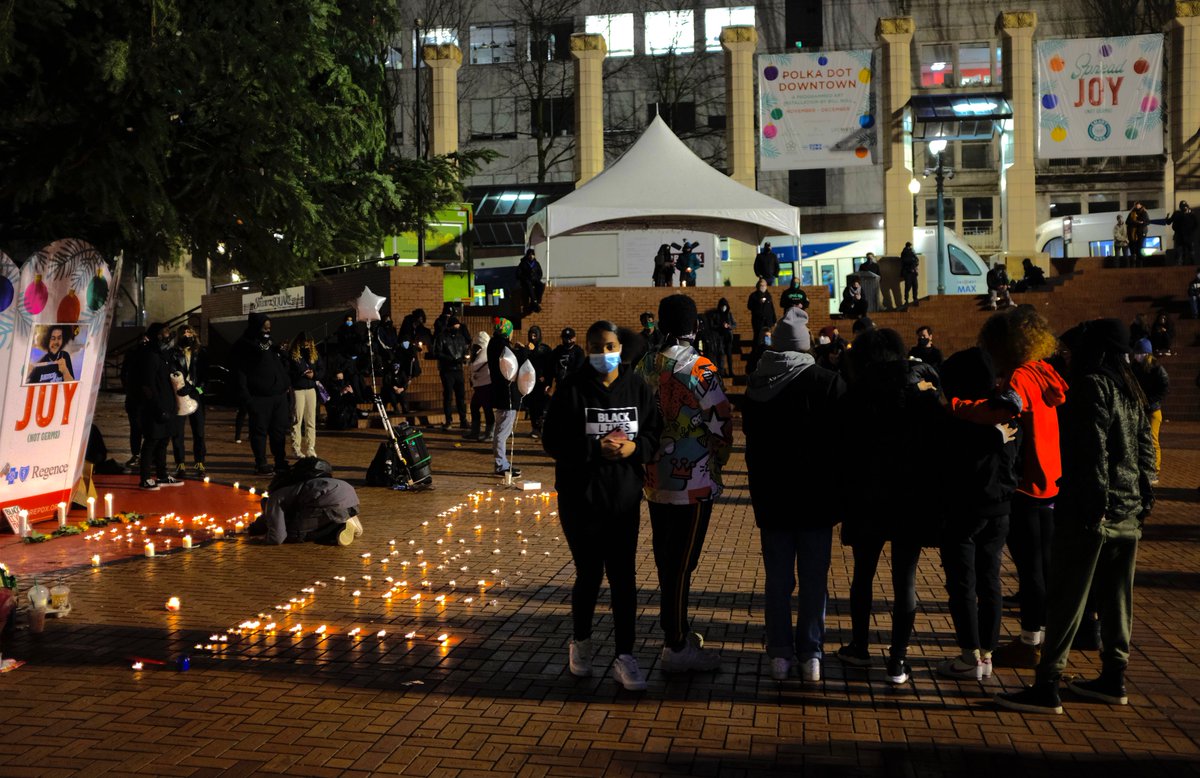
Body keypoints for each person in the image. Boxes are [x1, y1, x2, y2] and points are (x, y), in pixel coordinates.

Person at [996, 318, 1155, 715]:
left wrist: (1093, 506)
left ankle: (1047, 684)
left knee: (1067, 597)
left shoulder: (1092, 386)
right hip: (1128, 512)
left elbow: (1093, 453)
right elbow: (1146, 451)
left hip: (1092, 513)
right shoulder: (1131, 385)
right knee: (1118, 599)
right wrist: (1141, 502)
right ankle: (1113, 677)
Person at [542, 320, 663, 691]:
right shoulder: (572, 389)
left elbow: (655, 434)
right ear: (587, 348)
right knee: (589, 573)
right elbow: (553, 441)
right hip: (581, 499)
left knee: (623, 577)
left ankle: (625, 655)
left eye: (610, 347)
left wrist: (635, 448)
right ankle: (581, 642)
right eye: (597, 347)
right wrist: (593, 449)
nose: (604, 355)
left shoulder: (637, 387)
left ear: (620, 348)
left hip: (623, 498)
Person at [952, 307, 1068, 670]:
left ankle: (1031, 641)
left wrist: (955, 406)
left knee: (1029, 568)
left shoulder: (1020, 376)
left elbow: (1000, 411)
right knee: (1042, 566)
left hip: (1026, 482)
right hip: (1049, 478)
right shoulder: (1042, 370)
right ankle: (1040, 637)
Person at [742, 307, 845, 682]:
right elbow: (842, 444)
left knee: (778, 581)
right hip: (817, 499)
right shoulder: (828, 382)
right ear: (806, 348)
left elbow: (751, 448)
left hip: (773, 498)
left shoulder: (757, 386)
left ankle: (779, 653)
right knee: (815, 581)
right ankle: (811, 653)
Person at [836, 327, 941, 685]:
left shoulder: (855, 394)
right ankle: (897, 660)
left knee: (863, 574)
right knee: (905, 579)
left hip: (866, 497)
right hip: (910, 498)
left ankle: (860, 646)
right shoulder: (918, 393)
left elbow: (845, 450)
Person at [637, 294, 734, 673]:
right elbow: (722, 422)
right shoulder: (700, 367)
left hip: (654, 477)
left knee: (667, 558)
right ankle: (675, 644)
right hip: (693, 480)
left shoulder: (646, 363)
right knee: (682, 562)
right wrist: (718, 456)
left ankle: (678, 630)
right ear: (694, 326)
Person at [935, 347, 1019, 681]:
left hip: (963, 509)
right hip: (1000, 508)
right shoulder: (1009, 412)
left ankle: (970, 656)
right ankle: (987, 654)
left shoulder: (960, 419)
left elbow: (949, 458)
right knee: (990, 580)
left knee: (962, 583)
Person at [233, 312, 292, 475]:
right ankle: (261, 462)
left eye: (269, 327)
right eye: (264, 327)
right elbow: (240, 374)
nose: (267, 330)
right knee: (259, 432)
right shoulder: (244, 345)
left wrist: (285, 381)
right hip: (259, 397)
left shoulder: (270, 344)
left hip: (278, 395)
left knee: (278, 431)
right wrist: (247, 399)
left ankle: (280, 461)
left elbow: (279, 365)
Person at [252, 463, 363, 546]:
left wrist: (263, 540)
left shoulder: (274, 498)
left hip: (329, 501)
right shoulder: (294, 487)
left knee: (295, 535)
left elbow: (278, 537)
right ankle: (345, 518)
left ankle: (338, 527)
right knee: (309, 519)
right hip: (350, 498)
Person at [137, 323, 184, 490]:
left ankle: (162, 475)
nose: (169, 335)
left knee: (164, 441)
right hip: (155, 408)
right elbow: (148, 384)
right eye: (165, 332)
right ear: (157, 335)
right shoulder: (150, 355)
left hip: (167, 404)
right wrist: (157, 407)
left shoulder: (163, 354)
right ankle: (145, 478)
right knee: (151, 441)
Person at [168, 324, 210, 477]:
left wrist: (198, 389)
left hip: (196, 394)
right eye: (184, 332)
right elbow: (172, 372)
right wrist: (181, 387)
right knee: (178, 432)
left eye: (189, 332)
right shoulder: (173, 353)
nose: (187, 335)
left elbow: (205, 375)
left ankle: (200, 462)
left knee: (199, 431)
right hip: (179, 395)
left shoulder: (201, 352)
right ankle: (180, 464)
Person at [488, 317, 523, 479]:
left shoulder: (493, 344)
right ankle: (501, 464)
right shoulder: (502, 346)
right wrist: (523, 352)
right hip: (507, 394)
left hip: (498, 392)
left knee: (500, 429)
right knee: (502, 431)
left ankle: (502, 463)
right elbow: (513, 365)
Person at [1131, 338, 1168, 483]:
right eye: (1136, 352)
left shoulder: (1157, 369)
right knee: (1139, 440)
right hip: (1140, 408)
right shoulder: (1135, 367)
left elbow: (1164, 388)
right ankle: (1143, 468)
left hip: (1153, 410)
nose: (1137, 355)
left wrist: (1151, 401)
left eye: (1140, 353)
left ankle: (1155, 471)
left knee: (1152, 440)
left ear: (1147, 354)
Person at [288, 333, 323, 460]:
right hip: (298, 389)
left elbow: (322, 369)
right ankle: (296, 448)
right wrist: (302, 373)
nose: (307, 344)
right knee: (297, 419)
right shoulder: (294, 354)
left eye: (309, 341)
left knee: (311, 420)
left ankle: (310, 447)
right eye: (305, 341)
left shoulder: (314, 353)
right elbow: (290, 371)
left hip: (311, 389)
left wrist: (314, 375)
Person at [433, 315, 470, 431]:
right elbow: (437, 352)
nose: (457, 328)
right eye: (455, 326)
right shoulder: (442, 337)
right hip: (447, 370)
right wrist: (451, 359)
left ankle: (463, 420)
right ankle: (448, 420)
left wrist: (464, 358)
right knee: (448, 396)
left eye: (458, 326)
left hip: (458, 369)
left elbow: (465, 349)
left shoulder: (460, 338)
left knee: (461, 396)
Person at [121, 334, 149, 468]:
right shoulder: (132, 354)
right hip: (135, 398)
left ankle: (148, 456)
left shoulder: (154, 354)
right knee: (136, 428)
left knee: (148, 429)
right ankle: (136, 454)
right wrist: (129, 390)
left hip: (148, 398)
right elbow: (124, 374)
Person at [522, 325, 553, 438]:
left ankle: (541, 428)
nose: (533, 337)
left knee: (542, 407)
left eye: (535, 335)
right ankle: (535, 428)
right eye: (531, 335)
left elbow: (550, 365)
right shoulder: (527, 348)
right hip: (530, 382)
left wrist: (547, 379)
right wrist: (526, 350)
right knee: (532, 406)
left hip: (541, 383)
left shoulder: (545, 349)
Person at [465, 331, 493, 442]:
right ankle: (475, 431)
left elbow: (475, 366)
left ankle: (489, 433)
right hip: (480, 385)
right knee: (475, 406)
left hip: (485, 385)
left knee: (487, 409)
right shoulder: (482, 351)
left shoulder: (486, 352)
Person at [549, 326, 586, 393]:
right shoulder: (558, 350)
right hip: (560, 385)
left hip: (574, 386)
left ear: (574, 338)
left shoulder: (578, 351)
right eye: (566, 338)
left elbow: (580, 369)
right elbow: (551, 366)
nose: (568, 341)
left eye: (570, 338)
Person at [708, 298, 736, 378]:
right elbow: (712, 326)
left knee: (729, 355)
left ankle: (731, 371)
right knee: (722, 355)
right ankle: (722, 371)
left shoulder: (729, 314)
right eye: (722, 306)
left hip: (728, 338)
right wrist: (720, 326)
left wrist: (729, 326)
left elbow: (734, 324)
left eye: (725, 306)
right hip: (720, 338)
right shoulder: (716, 315)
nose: (724, 308)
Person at [516, 248, 545, 313]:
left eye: (533, 255)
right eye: (530, 255)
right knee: (529, 287)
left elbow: (540, 273)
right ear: (527, 255)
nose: (531, 256)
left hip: (535, 280)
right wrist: (525, 278)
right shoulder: (523, 263)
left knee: (541, 285)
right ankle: (534, 301)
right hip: (526, 281)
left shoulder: (536, 263)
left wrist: (537, 278)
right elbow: (518, 274)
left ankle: (538, 301)